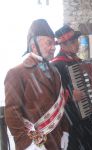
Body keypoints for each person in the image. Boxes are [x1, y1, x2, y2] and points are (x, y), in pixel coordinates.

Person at [4, 19, 70, 150]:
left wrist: (65, 131)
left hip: (56, 142)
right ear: (34, 46)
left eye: (54, 44)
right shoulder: (16, 73)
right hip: (35, 143)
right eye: (49, 43)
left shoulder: (55, 72)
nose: (53, 48)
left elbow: (61, 106)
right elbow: (12, 113)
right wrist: (28, 144)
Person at [51, 25, 92, 150]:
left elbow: (88, 85)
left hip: (87, 118)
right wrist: (70, 95)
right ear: (65, 44)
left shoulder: (78, 61)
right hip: (71, 121)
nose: (78, 44)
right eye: (75, 41)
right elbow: (53, 94)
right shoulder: (56, 65)